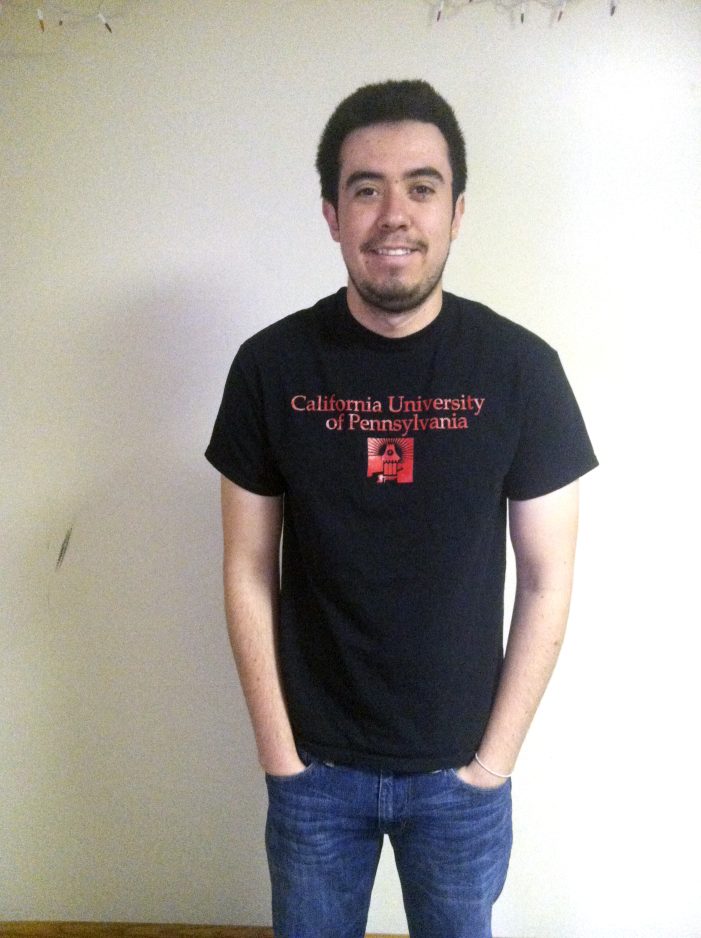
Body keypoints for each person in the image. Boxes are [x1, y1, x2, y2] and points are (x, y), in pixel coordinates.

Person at [205, 79, 597, 938]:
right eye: (365, 189)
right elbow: (245, 569)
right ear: (330, 213)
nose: (394, 215)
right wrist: (281, 758)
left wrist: (491, 766)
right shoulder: (270, 368)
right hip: (314, 771)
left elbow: (546, 580)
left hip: (459, 777)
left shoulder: (521, 371)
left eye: (421, 187)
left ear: (455, 212)